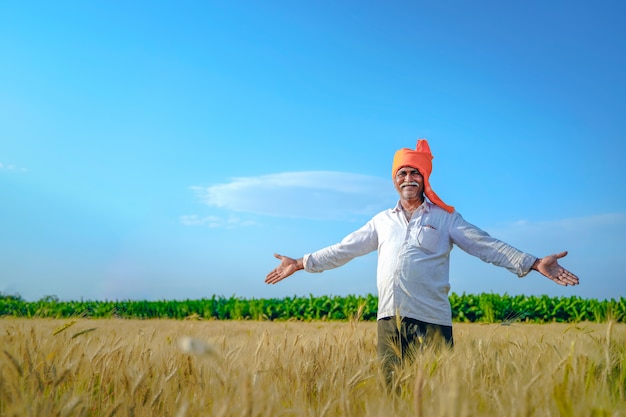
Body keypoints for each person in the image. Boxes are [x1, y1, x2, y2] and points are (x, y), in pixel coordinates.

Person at [264, 139, 579, 386]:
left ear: (424, 177)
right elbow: (344, 249)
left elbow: (485, 245)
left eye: (415, 172)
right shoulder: (381, 221)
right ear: (395, 180)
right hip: (389, 322)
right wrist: (302, 262)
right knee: (393, 396)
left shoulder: (446, 219)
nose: (408, 178)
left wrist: (533, 262)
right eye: (402, 173)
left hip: (432, 323)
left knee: (434, 396)